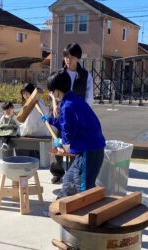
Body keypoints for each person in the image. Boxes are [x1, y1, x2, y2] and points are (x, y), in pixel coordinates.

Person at [42, 71, 105, 199]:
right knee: (69, 180)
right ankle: (60, 207)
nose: (52, 95)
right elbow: (68, 123)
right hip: (90, 150)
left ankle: (85, 215)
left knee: (83, 188)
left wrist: (61, 142)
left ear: (57, 91)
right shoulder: (74, 101)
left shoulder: (68, 106)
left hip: (89, 152)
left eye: (51, 92)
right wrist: (51, 120)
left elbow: (68, 136)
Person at [50, 43, 95, 184]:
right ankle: (57, 171)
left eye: (71, 56)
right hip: (60, 113)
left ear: (78, 57)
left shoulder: (85, 75)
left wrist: (82, 113)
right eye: (65, 56)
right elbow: (52, 91)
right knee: (58, 141)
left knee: (75, 143)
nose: (67, 59)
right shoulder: (59, 73)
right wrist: (54, 103)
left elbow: (89, 97)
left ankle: (74, 172)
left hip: (77, 116)